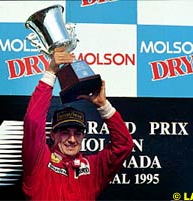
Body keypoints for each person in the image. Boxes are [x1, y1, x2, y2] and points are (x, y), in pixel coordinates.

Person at [22, 48, 133, 200]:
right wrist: (51, 72)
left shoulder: (93, 168)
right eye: (65, 132)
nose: (72, 140)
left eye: (78, 133)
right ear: (53, 135)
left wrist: (103, 106)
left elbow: (124, 146)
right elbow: (33, 121)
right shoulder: (39, 161)